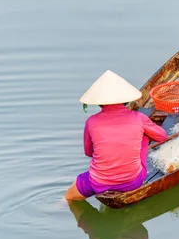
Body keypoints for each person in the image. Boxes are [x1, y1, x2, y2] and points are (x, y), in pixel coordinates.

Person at [65, 70, 167, 201]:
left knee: (69, 197)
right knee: (144, 135)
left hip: (98, 182)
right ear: (126, 100)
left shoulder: (91, 122)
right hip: (132, 181)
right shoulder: (138, 118)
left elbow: (89, 152)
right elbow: (162, 136)